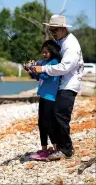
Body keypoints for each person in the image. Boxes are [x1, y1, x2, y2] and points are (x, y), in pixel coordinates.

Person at [32, 15, 84, 161]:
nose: (52, 32)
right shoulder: (60, 41)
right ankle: (60, 147)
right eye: (51, 29)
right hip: (61, 84)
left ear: (63, 29)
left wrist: (43, 69)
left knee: (60, 116)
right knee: (54, 116)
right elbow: (52, 57)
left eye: (54, 30)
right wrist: (36, 66)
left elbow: (64, 67)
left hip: (70, 85)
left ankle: (66, 150)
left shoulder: (71, 45)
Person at [24, 40, 61, 160]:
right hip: (43, 95)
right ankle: (44, 149)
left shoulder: (54, 62)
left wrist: (35, 68)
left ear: (52, 52)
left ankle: (56, 148)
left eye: (46, 52)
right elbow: (37, 77)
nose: (44, 54)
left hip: (51, 97)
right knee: (41, 123)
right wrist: (30, 69)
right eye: (43, 52)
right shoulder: (44, 62)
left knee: (48, 123)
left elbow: (45, 75)